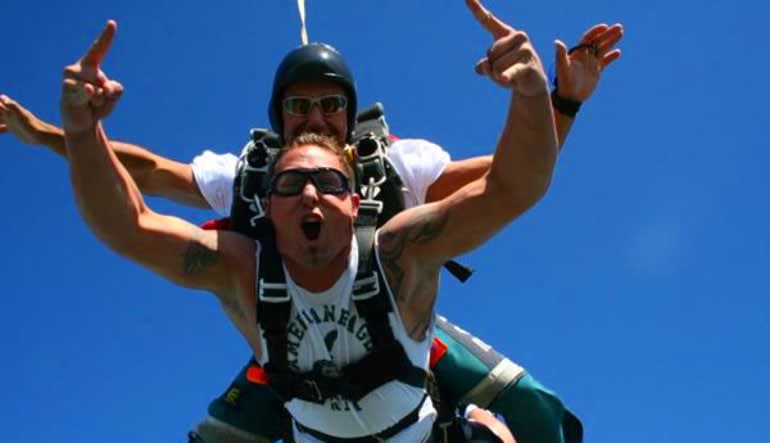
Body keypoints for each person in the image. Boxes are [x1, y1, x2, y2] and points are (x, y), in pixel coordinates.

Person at [3, 10, 624, 443]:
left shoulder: (399, 191)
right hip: (286, 356)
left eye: (331, 106)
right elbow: (140, 184)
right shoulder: (244, 189)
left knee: (534, 412)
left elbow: (510, 181)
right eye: (299, 106)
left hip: (398, 328)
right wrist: (67, 135)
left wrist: (548, 101)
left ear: (356, 199)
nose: (316, 118)